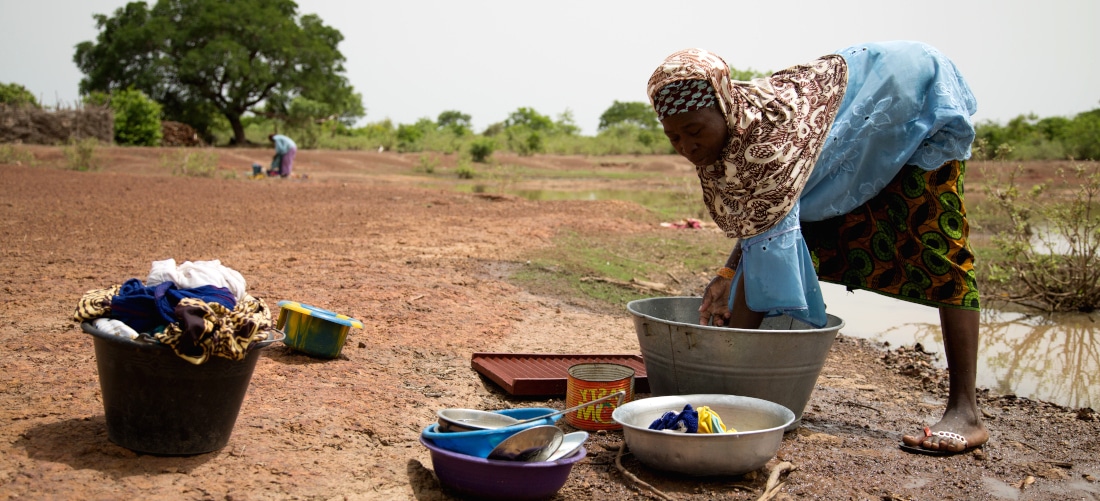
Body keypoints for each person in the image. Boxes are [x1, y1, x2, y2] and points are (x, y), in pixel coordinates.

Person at [647, 41, 988, 456]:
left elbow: (768, 238)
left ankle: (966, 412)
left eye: (696, 131)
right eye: (674, 136)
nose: (687, 146)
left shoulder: (765, 143)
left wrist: (716, 380)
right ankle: (726, 382)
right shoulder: (737, 134)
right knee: (804, 232)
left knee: (937, 247)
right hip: (853, 123)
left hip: (908, 97)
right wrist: (725, 273)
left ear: (724, 106)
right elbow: (764, 217)